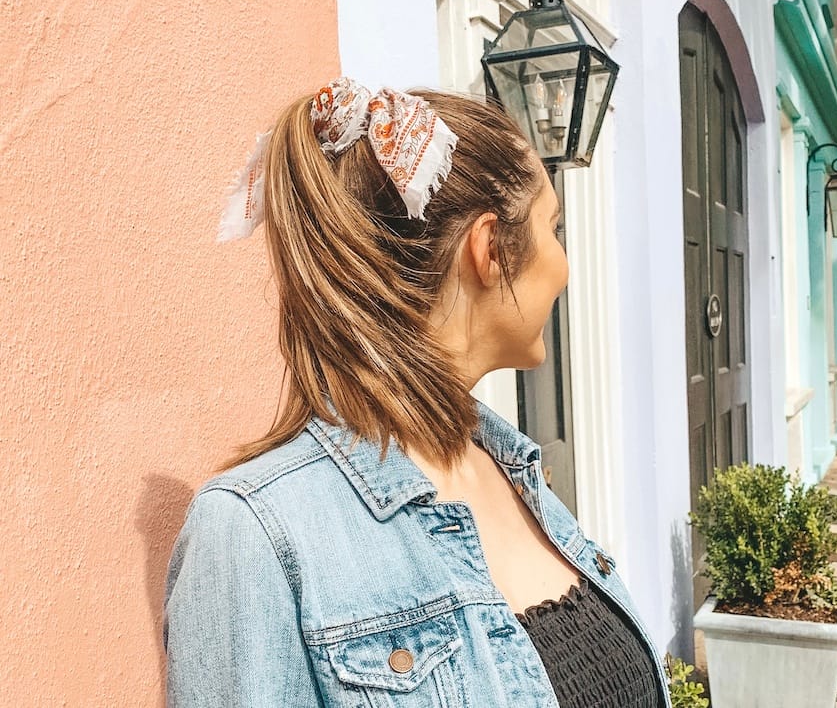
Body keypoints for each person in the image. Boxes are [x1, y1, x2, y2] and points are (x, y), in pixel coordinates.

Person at [164, 77, 671, 707]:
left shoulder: (509, 468)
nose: (564, 264)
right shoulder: (254, 534)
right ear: (491, 251)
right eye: (553, 227)